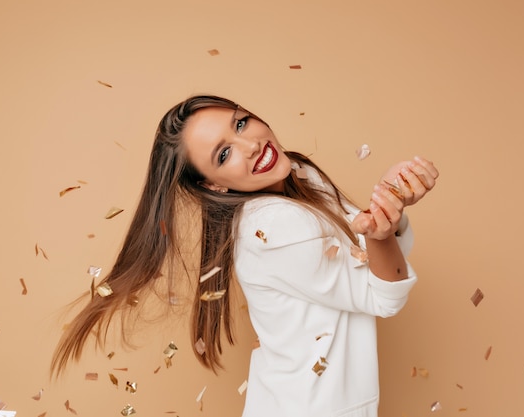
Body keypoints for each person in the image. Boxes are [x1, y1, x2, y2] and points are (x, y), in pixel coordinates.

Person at [51, 95, 439, 417]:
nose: (251, 145)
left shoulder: (299, 174)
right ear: (213, 186)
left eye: (240, 124)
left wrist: (390, 201)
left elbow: (368, 242)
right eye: (224, 155)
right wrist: (384, 229)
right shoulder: (272, 227)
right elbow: (382, 294)